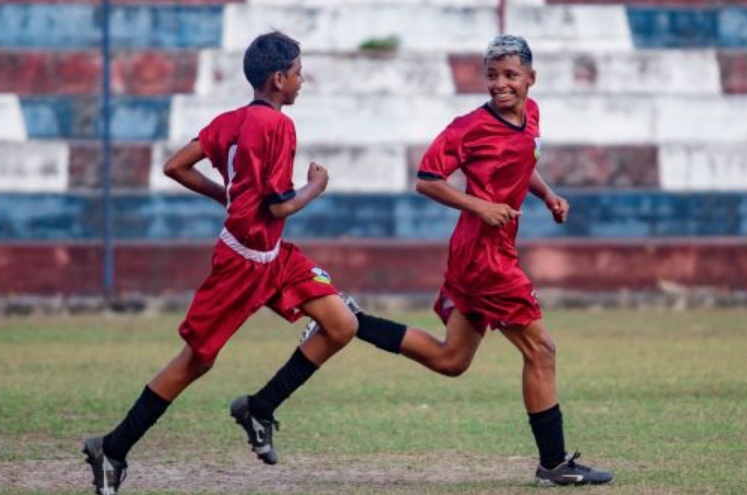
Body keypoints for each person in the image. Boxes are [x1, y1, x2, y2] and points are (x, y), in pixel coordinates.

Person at [302, 34, 613, 487]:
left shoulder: (532, 116)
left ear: (531, 78)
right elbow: (427, 180)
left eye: (510, 75)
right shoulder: (468, 127)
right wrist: (480, 206)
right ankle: (553, 463)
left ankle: (349, 319)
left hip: (480, 253)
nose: (500, 84)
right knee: (541, 351)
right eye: (492, 75)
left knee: (452, 359)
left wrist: (547, 194)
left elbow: (525, 161)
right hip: (484, 256)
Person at [82, 31, 360, 495]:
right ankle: (111, 448)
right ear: (278, 79)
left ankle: (259, 407)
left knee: (341, 324)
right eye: (297, 71)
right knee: (195, 362)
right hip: (243, 264)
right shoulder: (278, 127)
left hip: (272, 256)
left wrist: (224, 193)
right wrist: (316, 186)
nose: (301, 79)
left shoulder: (230, 120)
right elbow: (279, 206)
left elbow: (175, 165)